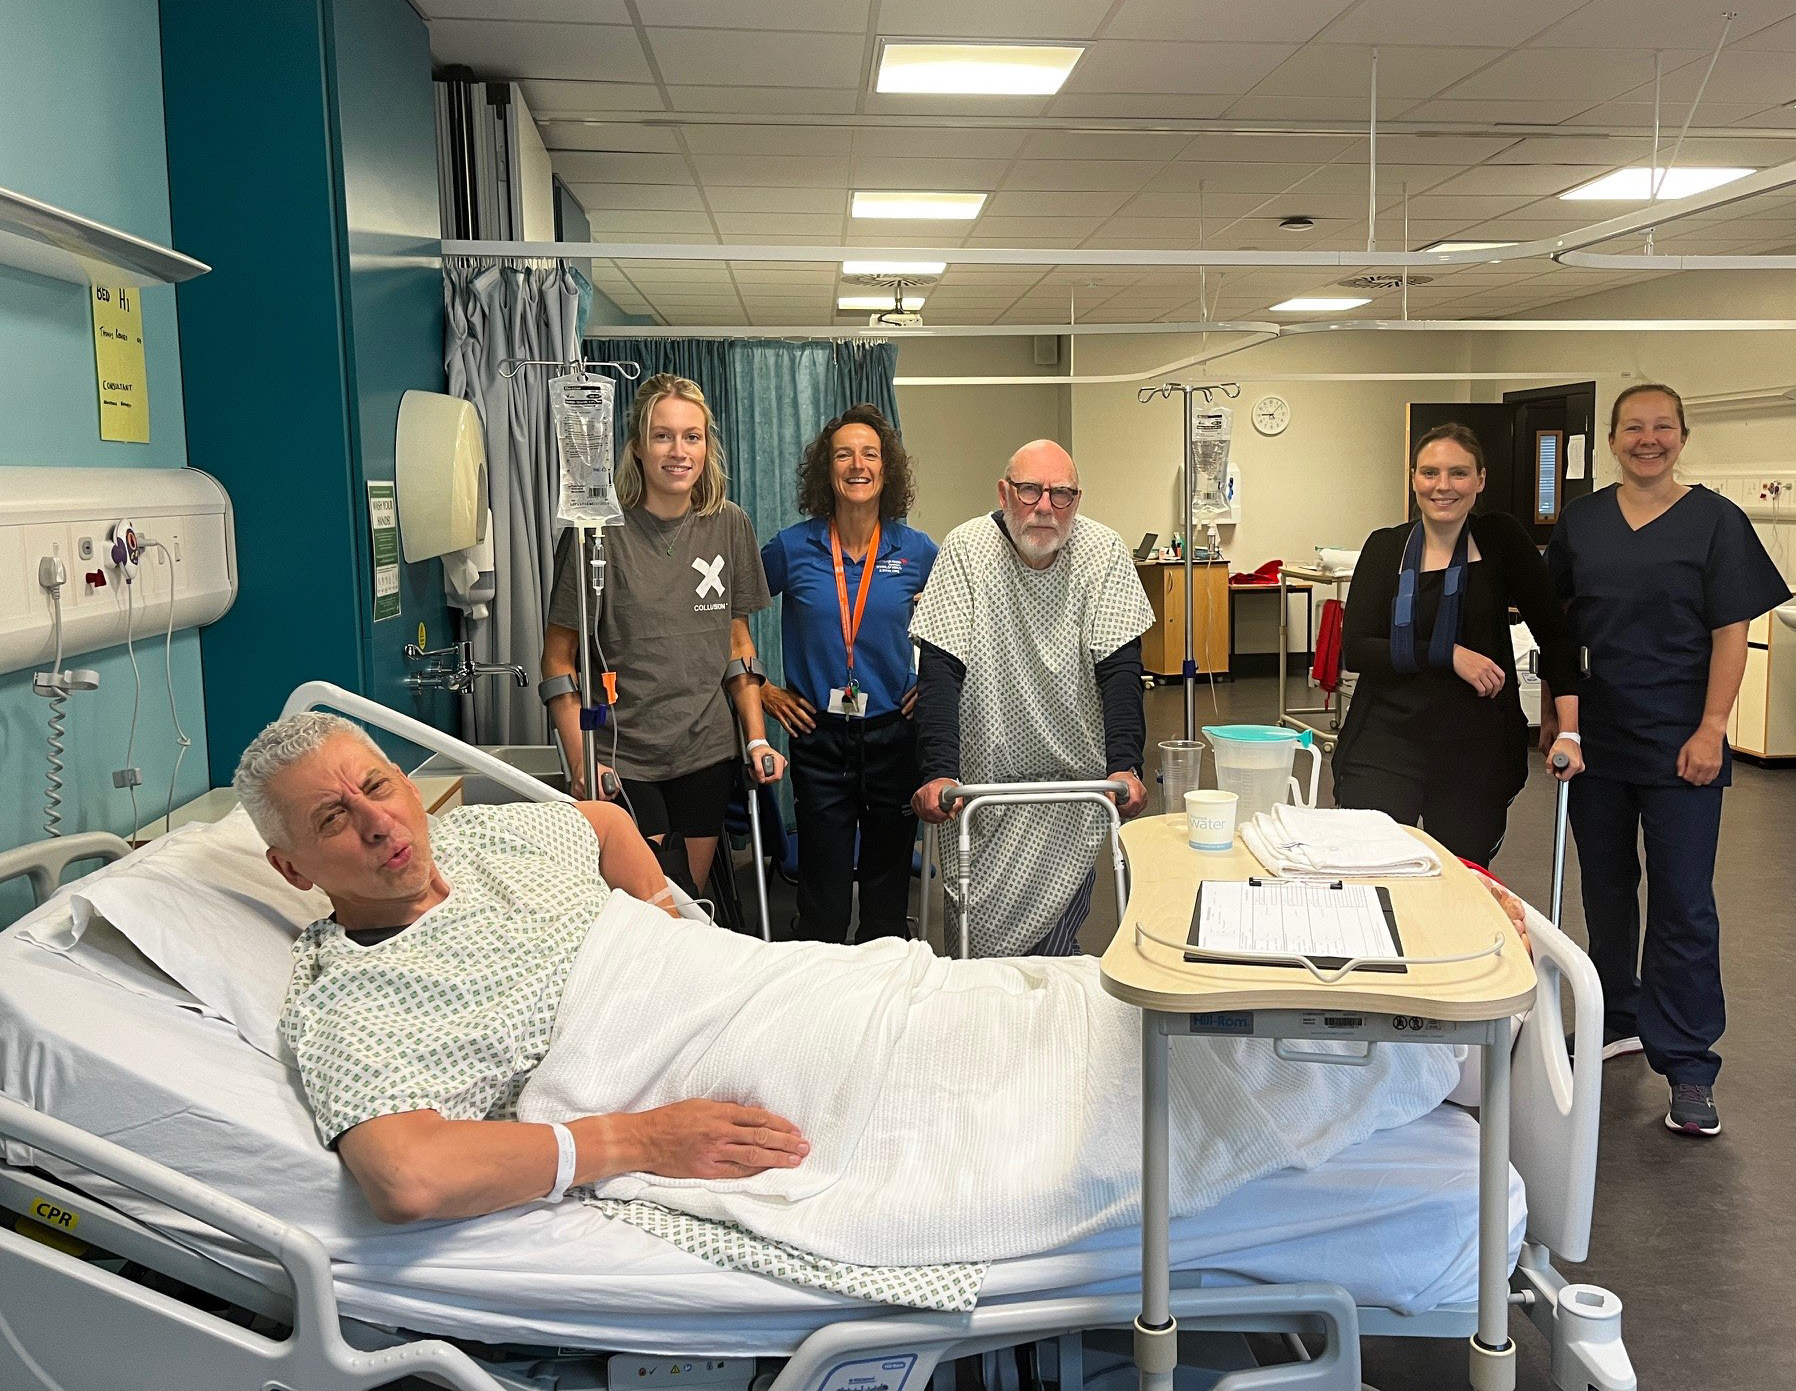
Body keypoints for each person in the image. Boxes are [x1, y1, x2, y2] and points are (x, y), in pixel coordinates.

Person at [237, 711, 1504, 1256]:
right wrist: (633, 1138)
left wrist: (689, 931)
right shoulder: (350, 998)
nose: (379, 822)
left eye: (380, 786)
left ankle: (1379, 1010)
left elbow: (604, 831)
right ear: (294, 865)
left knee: (1048, 999)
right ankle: (1393, 1061)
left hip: (745, 981)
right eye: (334, 821)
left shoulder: (485, 837)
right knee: (1031, 1083)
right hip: (662, 1059)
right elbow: (404, 1176)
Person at [1544, 382, 1790, 1141]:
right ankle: (1617, 1015)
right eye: (1632, 428)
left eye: (1661, 428)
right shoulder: (1582, 524)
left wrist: (1714, 727)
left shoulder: (1716, 522)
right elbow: (1561, 639)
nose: (1646, 439)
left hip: (1684, 742)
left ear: (1683, 436)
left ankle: (1687, 1063)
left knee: (1684, 902)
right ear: (1612, 439)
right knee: (1608, 892)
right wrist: (1566, 727)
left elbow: (1730, 632)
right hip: (1599, 744)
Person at [541, 374, 783, 895]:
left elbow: (738, 645)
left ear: (707, 447)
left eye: (692, 437)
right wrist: (580, 760)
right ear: (637, 448)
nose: (679, 451)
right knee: (651, 899)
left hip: (706, 749)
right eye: (663, 436)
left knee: (687, 899)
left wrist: (757, 736)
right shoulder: (595, 534)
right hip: (622, 751)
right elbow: (559, 659)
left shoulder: (729, 525)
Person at [909, 440, 1152, 957]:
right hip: (981, 794)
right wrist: (937, 770)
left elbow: (1121, 672)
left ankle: (1047, 1030)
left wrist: (1126, 764)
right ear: (1004, 492)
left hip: (1073, 789)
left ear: (1077, 499)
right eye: (1030, 490)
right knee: (974, 951)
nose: (1045, 506)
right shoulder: (966, 550)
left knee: (1052, 956)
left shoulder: (1104, 552)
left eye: (1061, 493)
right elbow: (940, 670)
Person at [1331, 424, 1582, 866]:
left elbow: (1556, 635)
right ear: (1413, 479)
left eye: (1458, 473)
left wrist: (1568, 730)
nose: (1443, 486)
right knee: (1374, 870)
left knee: (1464, 879)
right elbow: (1357, 649)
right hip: (1387, 740)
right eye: (1430, 473)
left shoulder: (1501, 540)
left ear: (1480, 480)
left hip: (1476, 747)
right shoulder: (1386, 547)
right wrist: (1447, 654)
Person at [760, 406, 938, 943]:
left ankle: (883, 1012)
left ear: (888, 470)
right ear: (826, 471)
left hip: (892, 736)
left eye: (870, 454)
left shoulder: (917, 551)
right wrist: (761, 688)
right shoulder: (792, 549)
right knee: (823, 901)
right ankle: (822, 1014)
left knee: (887, 903)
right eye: (843, 454)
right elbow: (727, 612)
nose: (857, 465)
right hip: (818, 736)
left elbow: (958, 629)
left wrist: (930, 683)